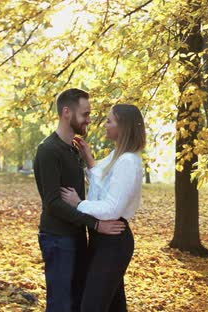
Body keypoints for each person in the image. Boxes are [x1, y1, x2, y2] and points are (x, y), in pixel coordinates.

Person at [33, 88, 126, 312]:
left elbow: (89, 192)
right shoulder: (48, 151)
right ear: (67, 112)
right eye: (85, 114)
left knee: (77, 302)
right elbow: (53, 203)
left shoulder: (74, 149)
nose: (90, 119)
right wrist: (95, 224)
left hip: (76, 235)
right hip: (57, 239)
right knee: (60, 305)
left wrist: (88, 158)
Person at [60, 104, 146, 312]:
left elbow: (112, 209)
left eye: (109, 121)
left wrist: (78, 204)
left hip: (114, 241)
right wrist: (89, 158)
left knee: (92, 306)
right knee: (113, 306)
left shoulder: (128, 161)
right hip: (102, 240)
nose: (104, 125)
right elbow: (102, 185)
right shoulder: (118, 155)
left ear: (123, 127)